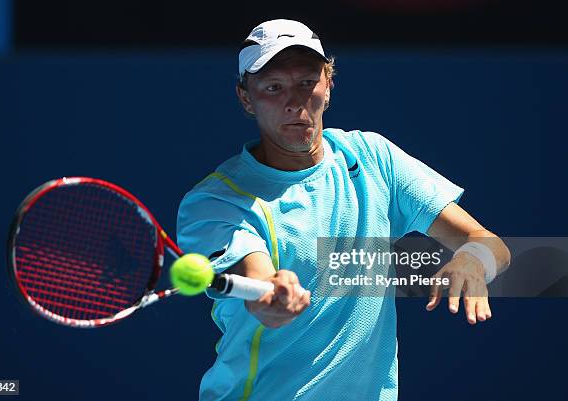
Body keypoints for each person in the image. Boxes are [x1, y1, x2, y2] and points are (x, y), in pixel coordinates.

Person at [176, 19, 511, 401]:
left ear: (328, 85)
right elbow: (260, 286)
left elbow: (489, 242)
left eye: (307, 82)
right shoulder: (218, 200)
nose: (294, 101)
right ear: (246, 98)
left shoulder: (372, 157)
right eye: (273, 87)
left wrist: (473, 259)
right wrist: (273, 297)